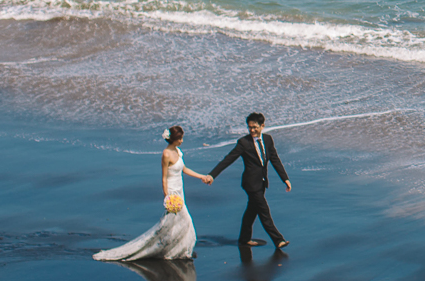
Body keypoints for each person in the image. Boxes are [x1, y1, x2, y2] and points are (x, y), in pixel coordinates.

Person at [94, 125, 213, 261]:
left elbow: (183, 169)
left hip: (180, 190)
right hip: (173, 192)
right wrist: (167, 197)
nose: (182, 141)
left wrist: (201, 176)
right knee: (184, 220)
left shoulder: (178, 151)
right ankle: (177, 251)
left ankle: (176, 249)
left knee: (174, 223)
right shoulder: (166, 154)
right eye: (180, 139)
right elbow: (164, 178)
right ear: (173, 139)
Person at [209, 112, 292, 249]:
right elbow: (228, 159)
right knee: (264, 210)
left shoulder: (268, 139)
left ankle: (244, 238)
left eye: (255, 127)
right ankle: (278, 240)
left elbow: (275, 160)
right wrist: (212, 175)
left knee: (251, 211)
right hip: (251, 184)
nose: (252, 130)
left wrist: (285, 178)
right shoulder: (244, 143)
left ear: (262, 126)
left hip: (262, 182)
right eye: (249, 128)